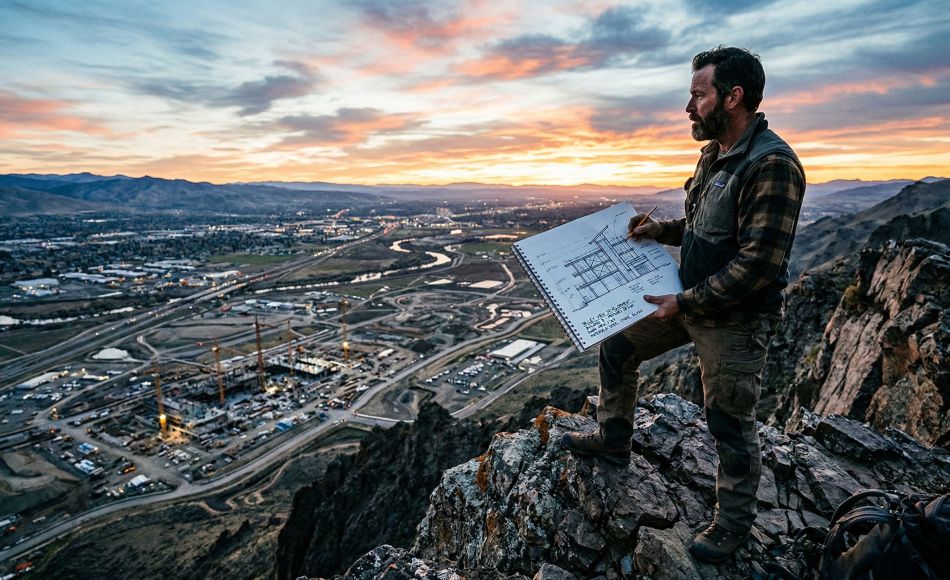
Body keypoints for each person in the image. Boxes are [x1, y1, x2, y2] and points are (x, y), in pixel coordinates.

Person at [561, 46, 806, 563]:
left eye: (698, 94)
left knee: (728, 421)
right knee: (617, 345)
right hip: (689, 303)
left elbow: (756, 266)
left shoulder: (773, 165)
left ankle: (732, 524)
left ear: (733, 97)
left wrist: (684, 302)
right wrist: (661, 230)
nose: (688, 106)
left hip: (735, 319)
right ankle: (613, 438)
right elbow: (705, 230)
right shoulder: (715, 153)